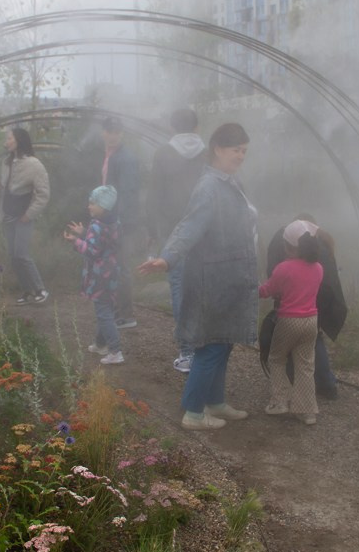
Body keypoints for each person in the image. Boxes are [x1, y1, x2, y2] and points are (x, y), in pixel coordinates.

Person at [139, 122, 257, 432]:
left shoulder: (230, 182)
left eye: (245, 150)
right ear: (218, 149)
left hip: (230, 276)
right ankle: (193, 411)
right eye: (236, 150)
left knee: (225, 341)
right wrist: (167, 257)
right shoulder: (209, 186)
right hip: (212, 280)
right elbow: (189, 226)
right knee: (211, 345)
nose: (241, 156)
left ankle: (215, 402)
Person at [147, 107, 207, 373]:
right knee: (204, 287)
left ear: (172, 128)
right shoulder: (209, 153)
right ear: (196, 127)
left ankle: (187, 352)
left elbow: (154, 196)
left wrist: (154, 231)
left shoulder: (163, 153)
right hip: (205, 231)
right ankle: (205, 347)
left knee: (180, 290)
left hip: (173, 232)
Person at [265, 215, 347, 401]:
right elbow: (329, 284)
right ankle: (325, 385)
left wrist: (260, 291)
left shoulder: (286, 257)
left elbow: (273, 280)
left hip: (291, 310)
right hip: (316, 307)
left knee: (282, 352)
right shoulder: (321, 248)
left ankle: (285, 393)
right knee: (312, 344)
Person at [259, 219, 324, 425]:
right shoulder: (319, 268)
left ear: (288, 247)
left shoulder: (283, 268)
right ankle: (307, 412)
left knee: (277, 358)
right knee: (305, 365)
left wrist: (254, 289)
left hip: (289, 321)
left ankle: (280, 402)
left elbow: (268, 290)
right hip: (311, 321)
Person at [64, 185, 124, 365]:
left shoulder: (97, 225)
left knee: (104, 312)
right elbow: (104, 242)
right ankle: (100, 344)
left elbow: (91, 251)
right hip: (111, 273)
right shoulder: (114, 222)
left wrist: (76, 240)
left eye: (92, 203)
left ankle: (115, 351)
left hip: (100, 276)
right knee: (104, 309)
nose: (89, 206)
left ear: (103, 206)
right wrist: (85, 233)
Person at [1, 128, 50, 305]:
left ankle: (40, 289)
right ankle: (27, 290)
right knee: (13, 255)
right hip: (9, 214)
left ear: (19, 140)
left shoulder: (34, 164)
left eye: (9, 138)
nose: (6, 142)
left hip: (23, 215)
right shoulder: (7, 163)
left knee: (21, 254)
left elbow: (43, 194)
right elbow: (9, 188)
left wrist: (29, 215)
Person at [101, 117, 141, 329]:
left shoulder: (125, 158)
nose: (113, 135)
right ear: (103, 133)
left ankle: (126, 315)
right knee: (115, 265)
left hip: (121, 221)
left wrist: (118, 221)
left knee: (122, 266)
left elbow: (127, 193)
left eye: (117, 132)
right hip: (112, 219)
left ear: (122, 134)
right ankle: (118, 311)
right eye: (110, 131)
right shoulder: (111, 155)